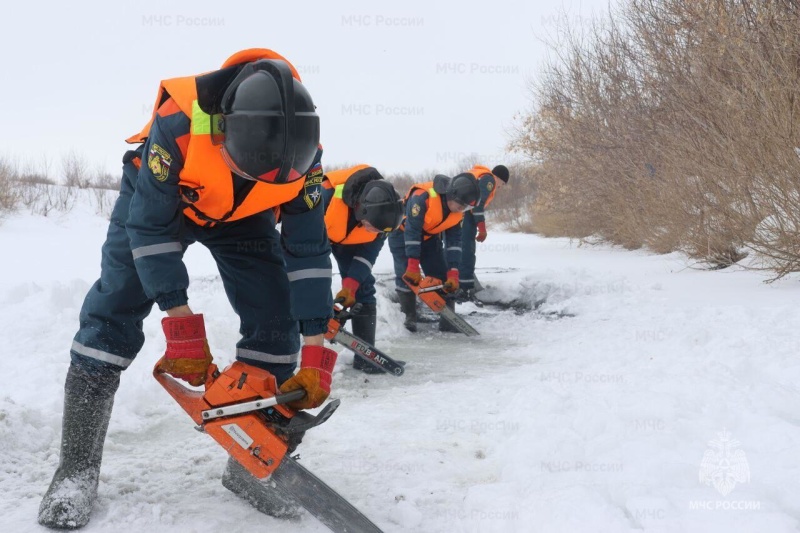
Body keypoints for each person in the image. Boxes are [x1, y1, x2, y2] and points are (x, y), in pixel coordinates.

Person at [38, 49, 338, 529]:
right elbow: (151, 230)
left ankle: (249, 466)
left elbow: (308, 252)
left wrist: (316, 348)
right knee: (113, 309)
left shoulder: (305, 160)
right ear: (223, 130)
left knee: (276, 319)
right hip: (163, 200)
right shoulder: (180, 121)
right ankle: (75, 471)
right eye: (244, 168)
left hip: (245, 216)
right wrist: (180, 323)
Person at [320, 165, 404, 372]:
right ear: (362, 210)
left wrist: (350, 287)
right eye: (372, 227)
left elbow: (367, 256)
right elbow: (308, 255)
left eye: (378, 231)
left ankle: (366, 359)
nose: (374, 232)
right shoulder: (325, 196)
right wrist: (320, 302)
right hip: (319, 234)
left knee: (363, 286)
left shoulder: (384, 216)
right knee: (311, 284)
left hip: (349, 237)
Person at [388, 173, 480, 332]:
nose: (462, 209)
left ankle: (448, 321)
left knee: (441, 276)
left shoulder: (457, 212)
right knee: (407, 277)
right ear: (452, 196)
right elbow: (412, 231)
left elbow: (454, 242)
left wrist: (453, 271)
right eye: (461, 206)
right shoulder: (421, 197)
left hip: (429, 238)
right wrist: (413, 264)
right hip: (402, 235)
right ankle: (409, 317)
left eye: (466, 207)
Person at [456, 164, 510, 301]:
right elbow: (477, 205)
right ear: (498, 177)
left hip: (458, 214)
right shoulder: (489, 180)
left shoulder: (479, 176)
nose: (500, 187)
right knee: (467, 251)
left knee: (457, 250)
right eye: (503, 183)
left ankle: (457, 283)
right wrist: (482, 228)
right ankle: (465, 290)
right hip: (465, 216)